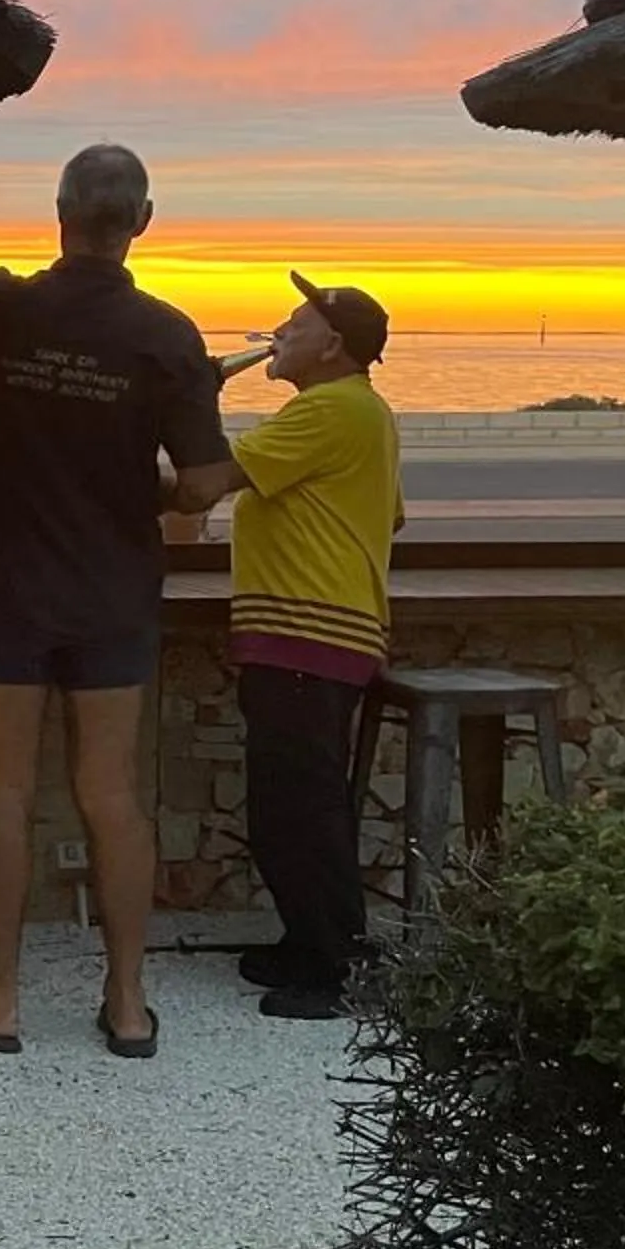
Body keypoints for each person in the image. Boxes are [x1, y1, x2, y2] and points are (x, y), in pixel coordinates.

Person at [0, 143, 231, 1057]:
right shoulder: (167, 336)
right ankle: (127, 1006)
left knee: (2, 790)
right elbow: (203, 485)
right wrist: (137, 483)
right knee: (112, 797)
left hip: (8, 582)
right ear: (144, 221)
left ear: (59, 212)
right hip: (114, 589)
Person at [170, 273, 402, 1020]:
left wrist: (192, 401)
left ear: (331, 345)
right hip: (322, 632)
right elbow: (387, 518)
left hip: (308, 633)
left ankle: (335, 969)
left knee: (299, 810)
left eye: (293, 323)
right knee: (295, 803)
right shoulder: (364, 411)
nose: (276, 333)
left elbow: (204, 484)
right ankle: (308, 942)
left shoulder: (326, 410)